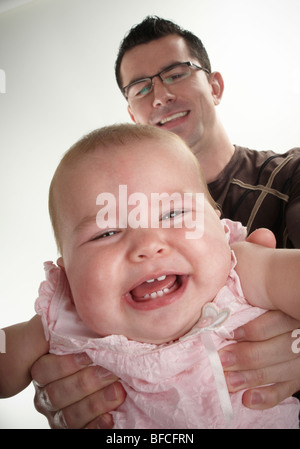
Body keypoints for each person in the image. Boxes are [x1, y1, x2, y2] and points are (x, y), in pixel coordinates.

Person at [31, 17, 300, 429]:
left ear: (215, 86)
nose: (160, 94)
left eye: (175, 73)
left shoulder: (291, 175)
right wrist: (61, 384)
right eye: (141, 87)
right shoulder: (89, 295)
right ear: (132, 113)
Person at [1, 124, 299, 429]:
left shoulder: (242, 271)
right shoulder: (65, 318)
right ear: (67, 274)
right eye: (107, 232)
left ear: (218, 223)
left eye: (173, 214)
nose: (147, 245)